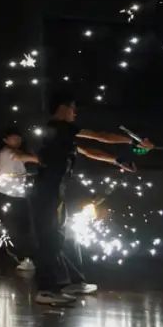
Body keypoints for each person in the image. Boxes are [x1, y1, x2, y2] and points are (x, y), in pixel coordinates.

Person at [30, 93, 154, 306]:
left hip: (53, 191)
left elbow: (88, 151)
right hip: (48, 191)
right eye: (73, 108)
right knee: (51, 238)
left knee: (57, 237)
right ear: (63, 108)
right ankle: (46, 290)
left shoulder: (62, 135)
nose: (75, 113)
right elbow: (99, 136)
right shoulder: (59, 127)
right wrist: (133, 140)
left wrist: (117, 160)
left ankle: (62, 284)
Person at [0, 127, 40, 271]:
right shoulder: (7, 152)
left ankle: (27, 257)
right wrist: (41, 159)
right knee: (15, 228)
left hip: (18, 195)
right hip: (7, 195)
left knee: (23, 227)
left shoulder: (16, 152)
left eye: (19, 138)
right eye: (14, 138)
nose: (17, 141)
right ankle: (22, 258)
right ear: (6, 140)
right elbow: (19, 156)